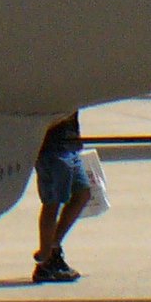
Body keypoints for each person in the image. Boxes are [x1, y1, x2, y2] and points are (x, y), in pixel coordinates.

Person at [31, 115, 89, 283]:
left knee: (83, 193)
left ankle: (52, 246)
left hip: (70, 146)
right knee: (52, 204)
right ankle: (46, 261)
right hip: (53, 149)